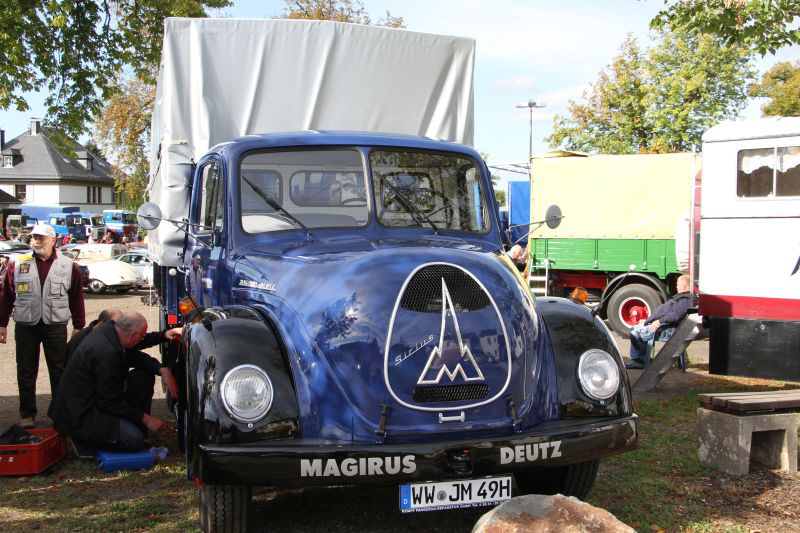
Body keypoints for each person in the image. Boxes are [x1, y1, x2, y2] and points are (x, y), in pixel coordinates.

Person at [53, 312, 178, 453]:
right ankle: (84, 442)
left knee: (142, 376)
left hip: (94, 401)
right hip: (83, 414)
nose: (141, 340)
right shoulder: (107, 353)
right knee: (133, 439)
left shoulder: (110, 333)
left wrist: (162, 370)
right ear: (133, 336)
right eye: (141, 337)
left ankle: (131, 429)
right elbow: (108, 402)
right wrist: (145, 418)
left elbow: (135, 356)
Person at [0, 224, 86, 428]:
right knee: (26, 370)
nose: (37, 241)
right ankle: (27, 414)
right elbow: (6, 294)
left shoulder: (68, 265)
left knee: (58, 370)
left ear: (53, 240)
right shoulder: (18, 263)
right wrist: (1, 323)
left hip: (55, 324)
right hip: (25, 324)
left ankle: (58, 413)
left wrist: (78, 325)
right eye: (34, 238)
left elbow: (76, 297)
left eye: (41, 238)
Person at [66, 307, 182, 363]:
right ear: (102, 324)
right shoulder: (89, 343)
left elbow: (137, 342)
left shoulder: (110, 336)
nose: (122, 326)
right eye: (117, 324)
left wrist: (165, 334)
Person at [625, 274, 692, 369]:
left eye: (678, 284)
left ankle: (639, 361)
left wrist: (659, 321)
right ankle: (642, 359)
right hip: (664, 326)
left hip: (665, 329)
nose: (676, 286)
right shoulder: (684, 297)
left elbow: (676, 316)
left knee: (635, 333)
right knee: (634, 329)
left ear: (684, 286)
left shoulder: (685, 299)